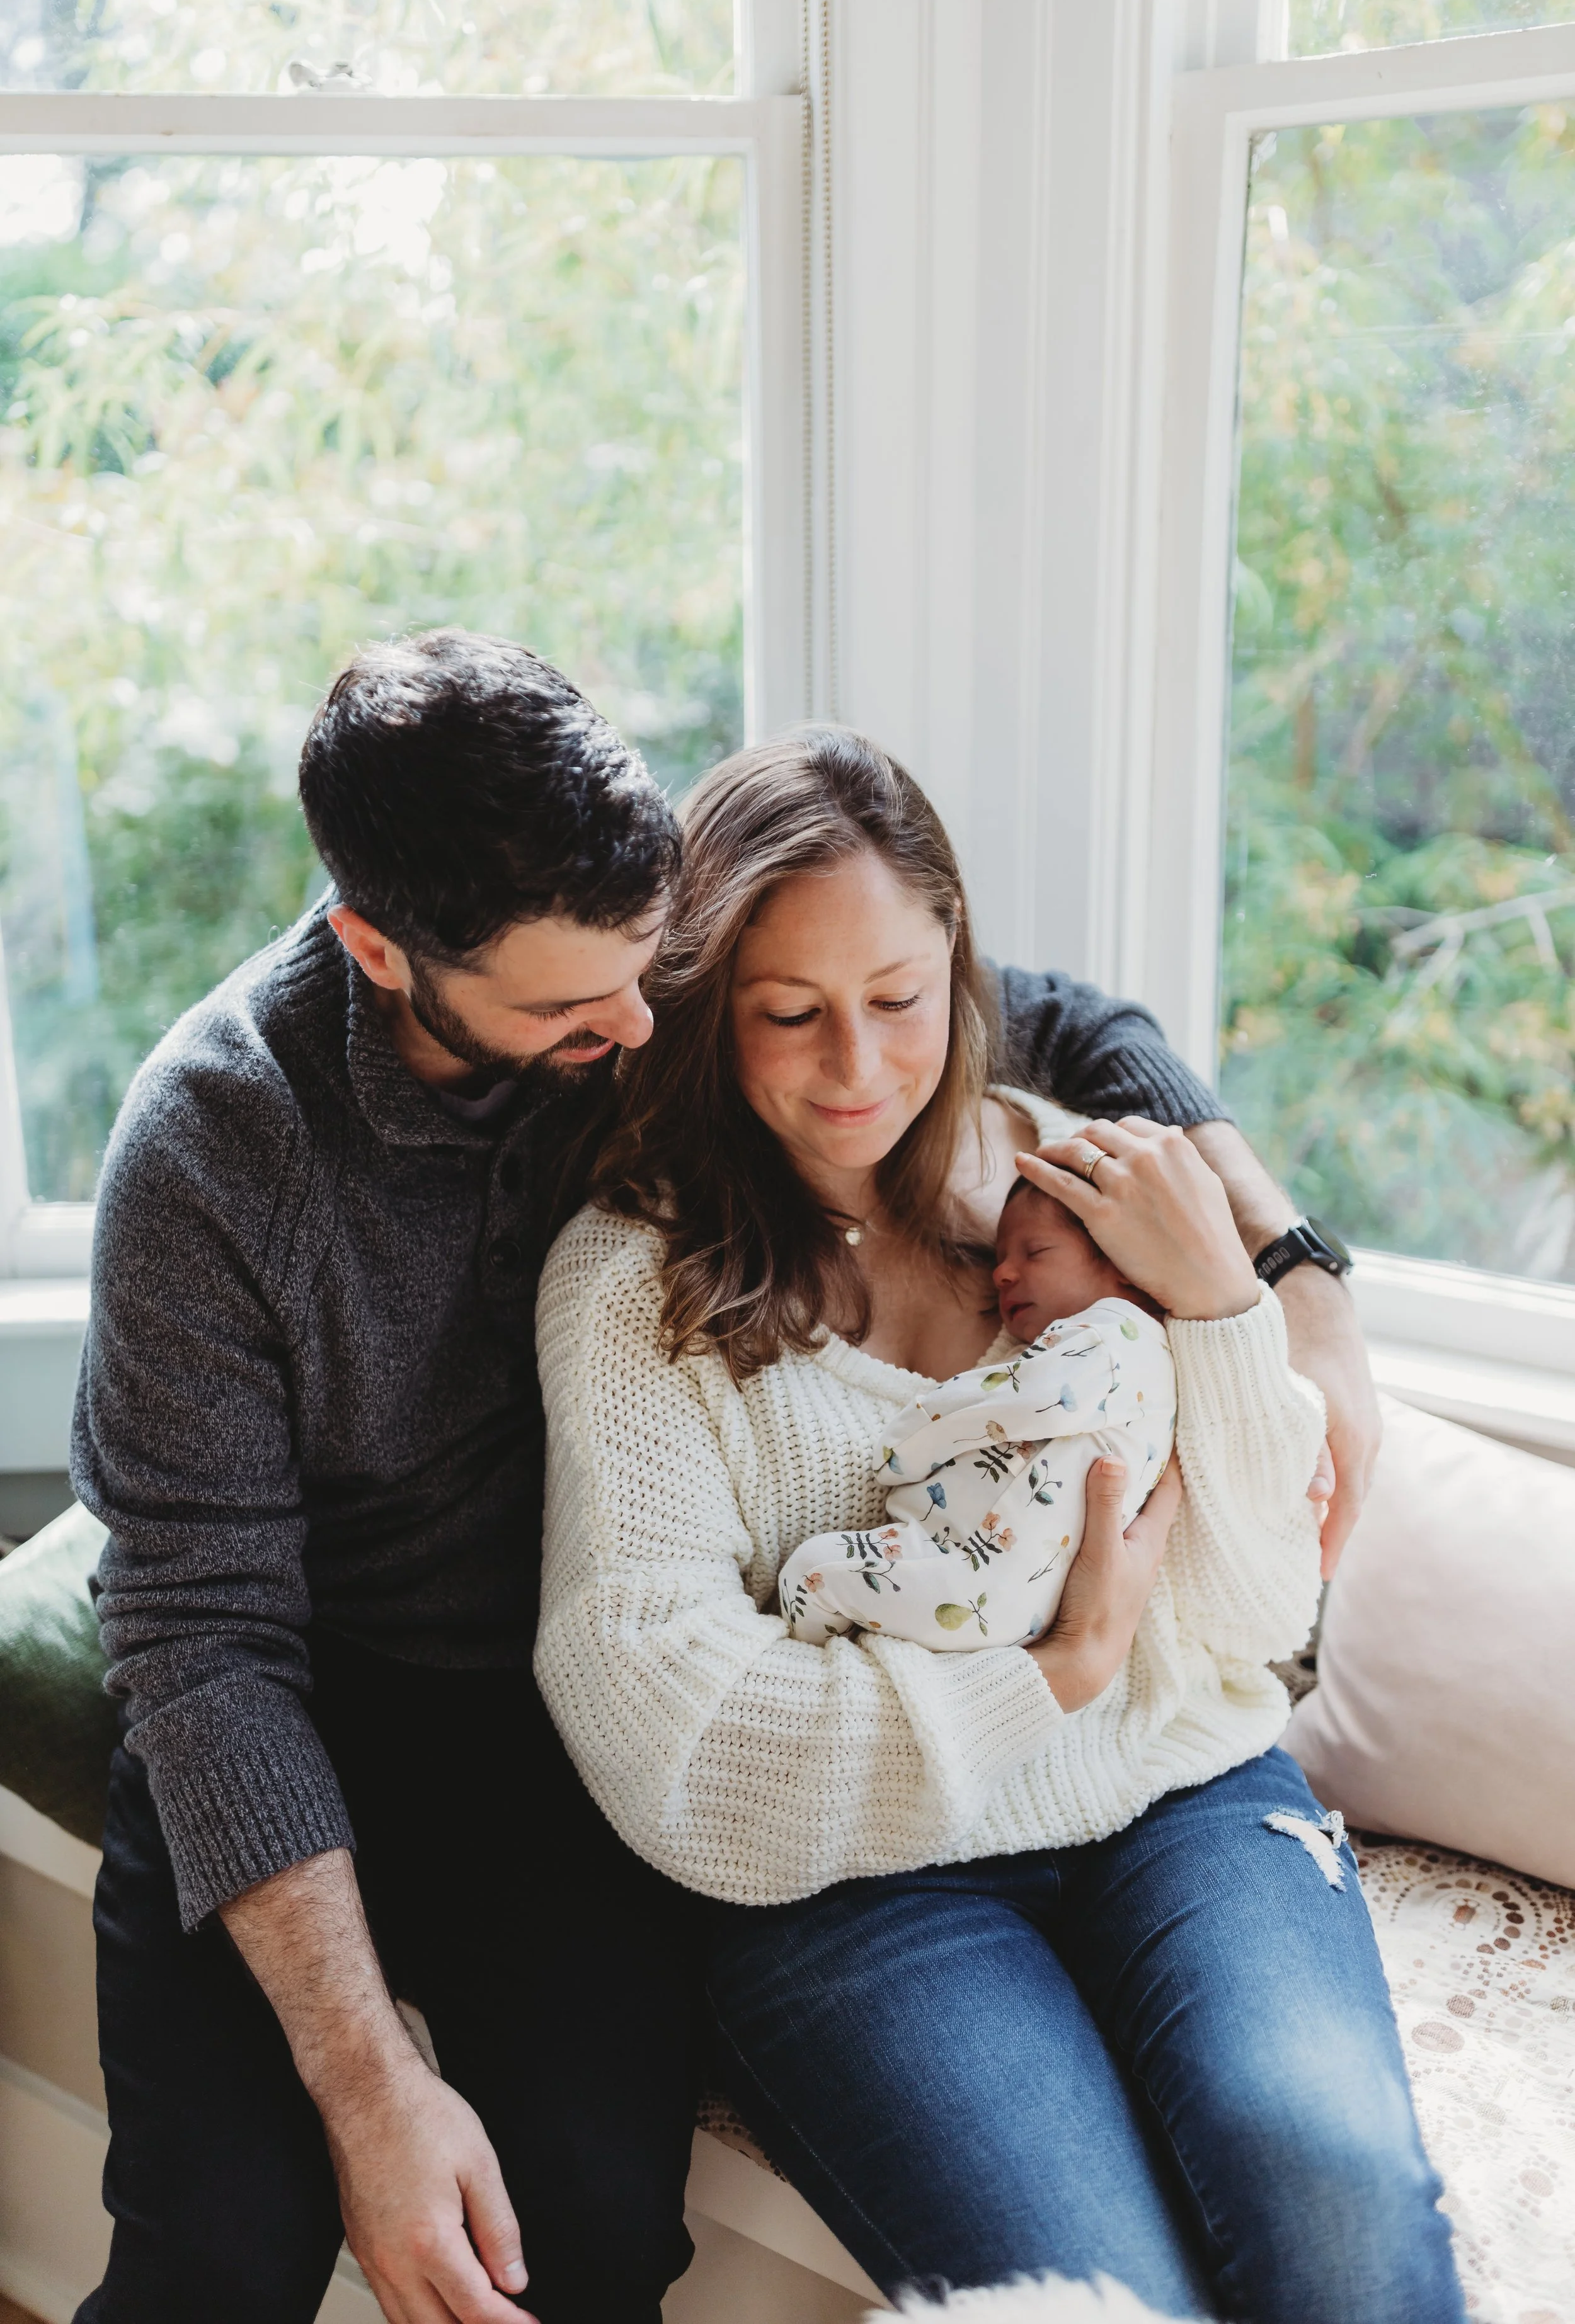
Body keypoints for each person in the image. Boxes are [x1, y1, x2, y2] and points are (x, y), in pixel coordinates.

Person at [67, 639, 1343, 2324]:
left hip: (542, 1716)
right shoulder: (216, 1150)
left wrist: (1280, 1263)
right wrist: (369, 2078)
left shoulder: (635, 955)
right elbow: (203, 1639)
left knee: (588, 2218)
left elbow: (989, 1002)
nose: (637, 1024)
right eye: (569, 1008)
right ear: (382, 949)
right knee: (214, 2247)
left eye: (660, 968)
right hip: (305, 1674)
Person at [534, 728, 1464, 2322]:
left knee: (1342, 2220)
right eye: (789, 1012)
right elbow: (680, 1754)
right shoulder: (637, 1291)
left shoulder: (1082, 1186)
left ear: (959, 965)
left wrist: (1231, 1296)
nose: (857, 1066)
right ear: (705, 1010)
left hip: (1186, 1796)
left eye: (898, 997)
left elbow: (1250, 1615)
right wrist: (1055, 1668)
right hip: (869, 1885)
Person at [776, 1175, 1177, 1649]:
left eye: (1035, 1251)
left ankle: (814, 1667)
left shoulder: (1111, 1336)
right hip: (1020, 1602)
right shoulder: (1152, 1360)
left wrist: (905, 1446)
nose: (1002, 1273)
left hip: (972, 1570)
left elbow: (1016, 1400)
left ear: (1126, 1264)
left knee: (811, 1574)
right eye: (1000, 1257)